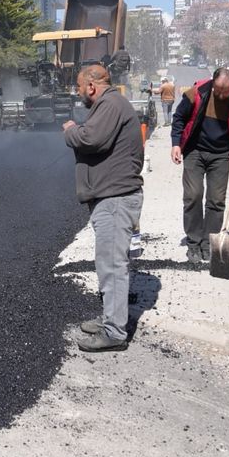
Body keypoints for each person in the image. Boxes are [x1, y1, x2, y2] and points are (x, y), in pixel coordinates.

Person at [62, 64, 144, 352]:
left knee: (111, 265)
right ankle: (111, 318)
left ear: (91, 86)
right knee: (108, 263)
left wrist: (71, 131)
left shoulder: (110, 104)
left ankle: (114, 333)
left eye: (79, 87)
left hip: (115, 199)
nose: (78, 93)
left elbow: (90, 139)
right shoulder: (112, 103)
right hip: (111, 197)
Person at [171, 67, 229, 265]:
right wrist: (176, 143)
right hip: (194, 151)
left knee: (216, 201)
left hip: (221, 155)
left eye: (225, 91)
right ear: (212, 83)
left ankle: (208, 243)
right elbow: (179, 117)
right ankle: (193, 243)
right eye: (218, 90)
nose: (221, 95)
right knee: (193, 195)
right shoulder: (197, 92)